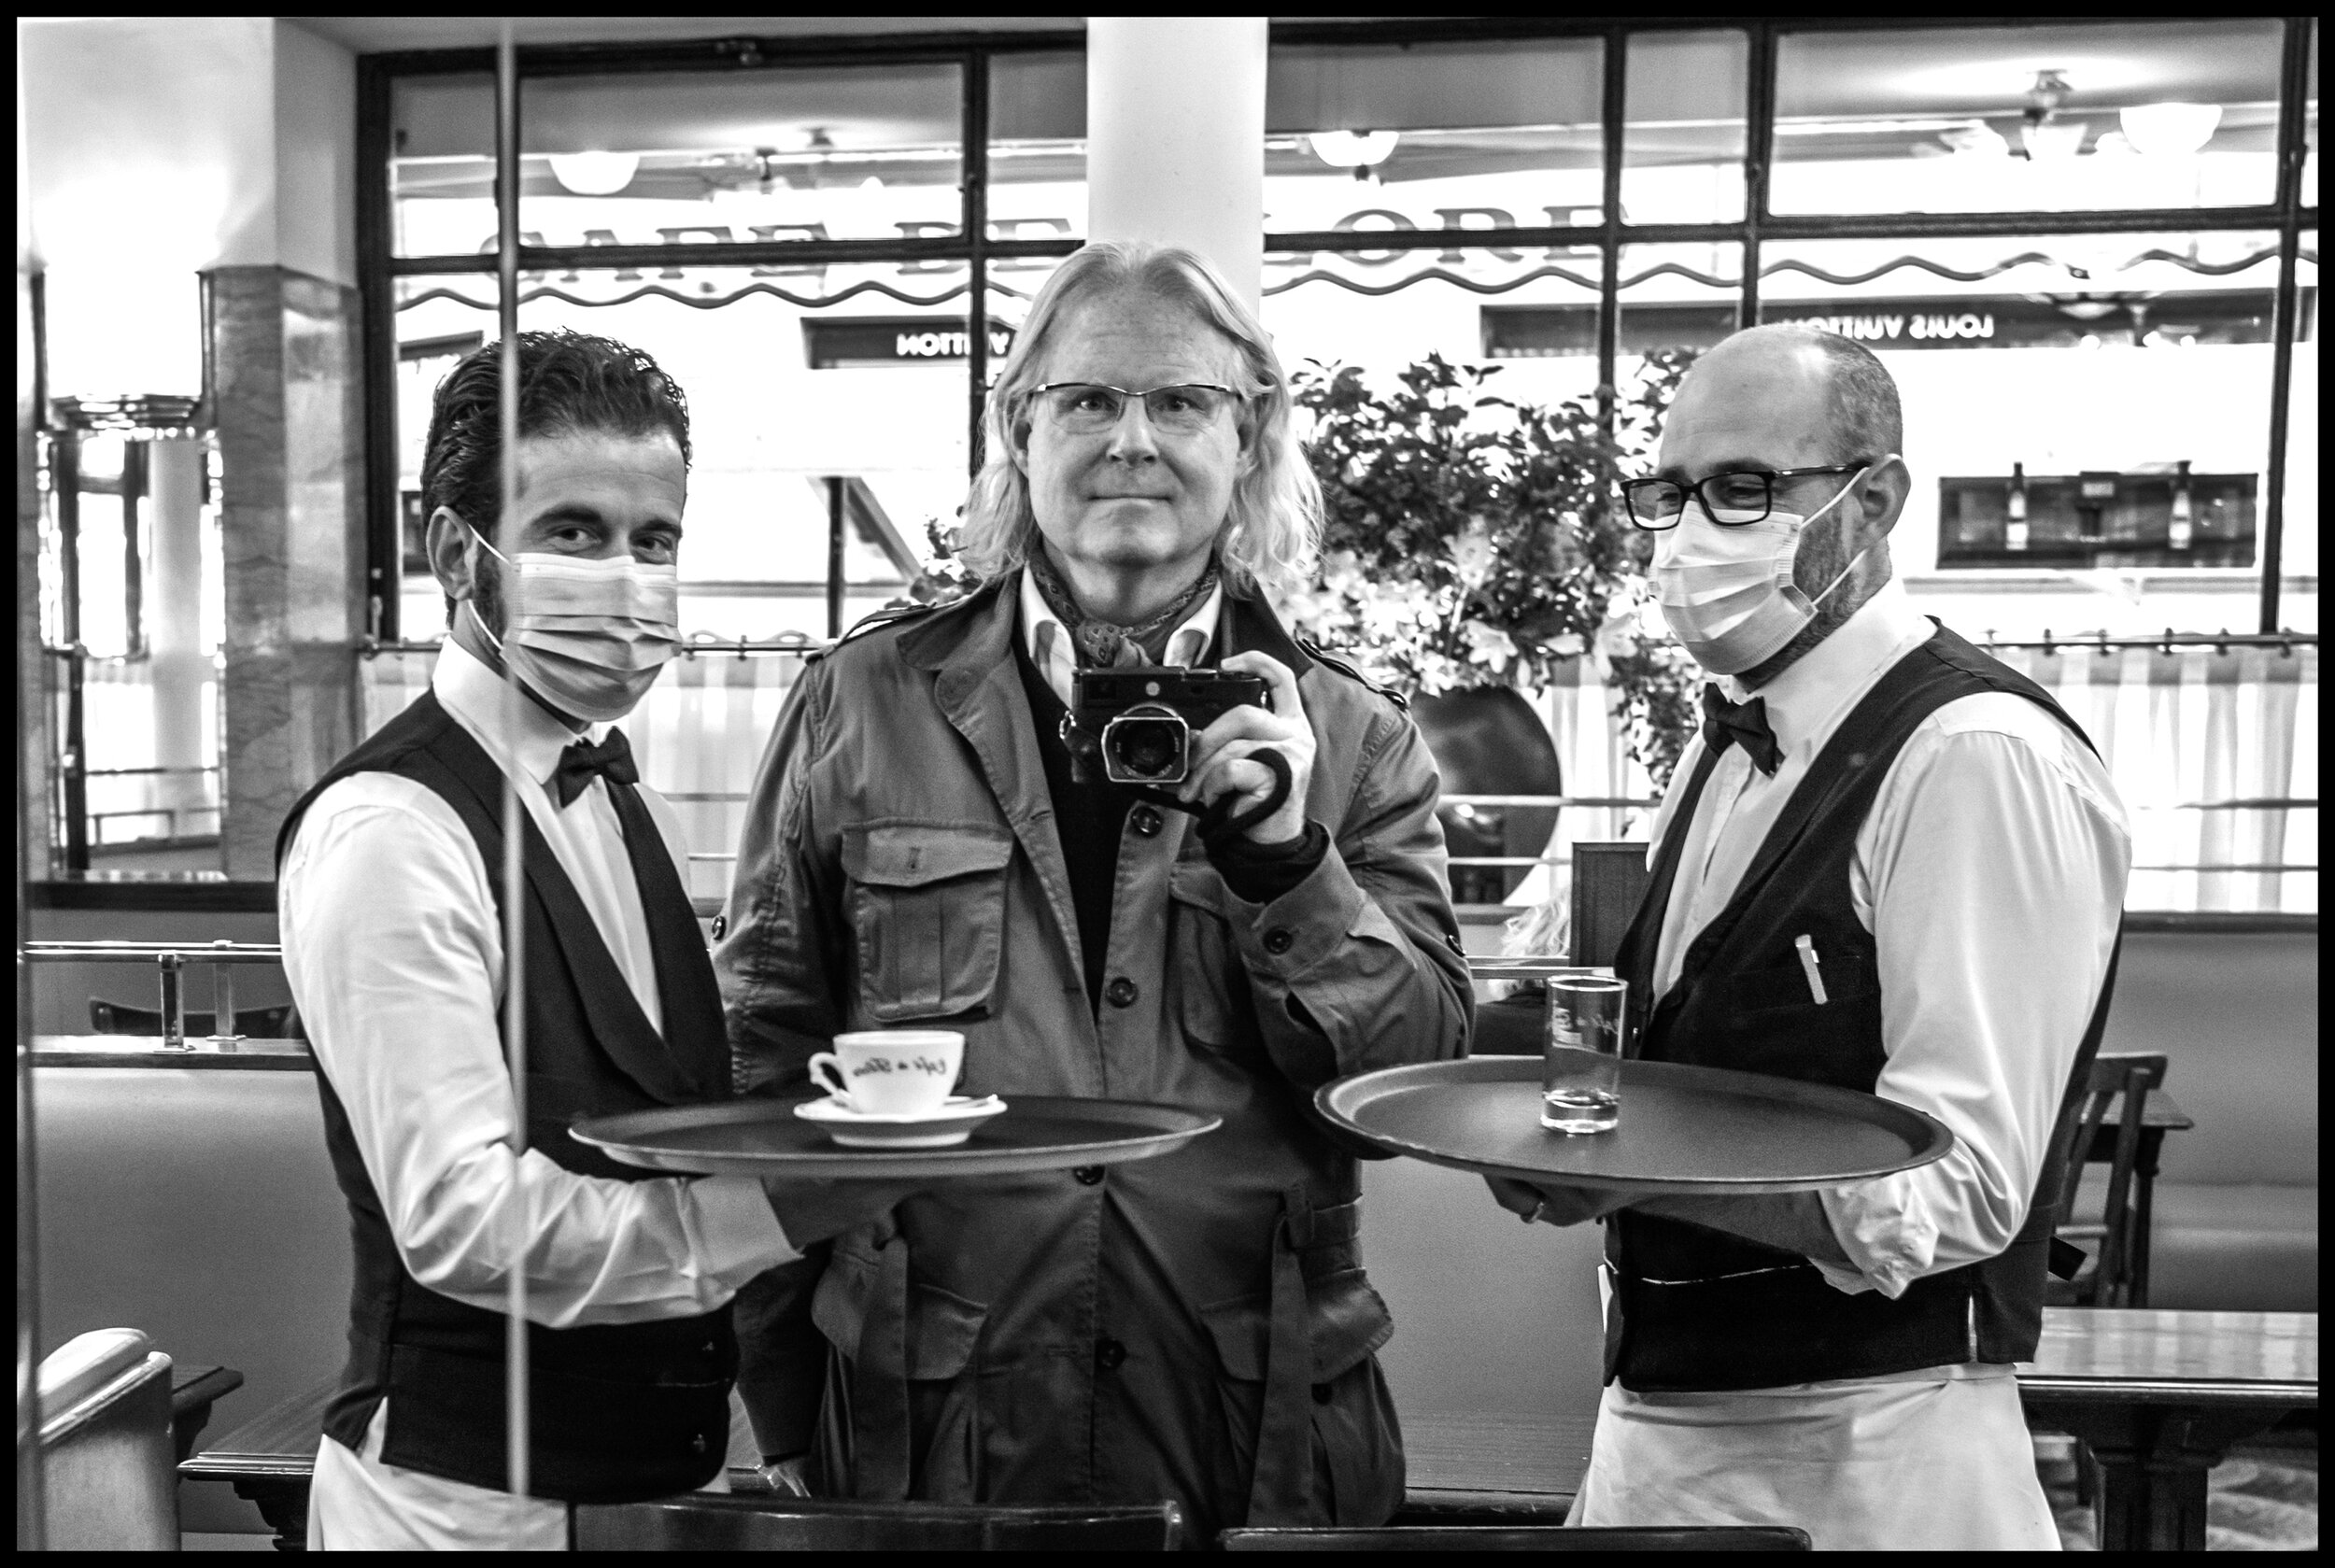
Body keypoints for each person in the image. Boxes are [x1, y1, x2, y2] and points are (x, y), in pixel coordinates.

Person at [717, 242, 1473, 1540]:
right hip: (928, 1428)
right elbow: (762, 1064)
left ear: (1250, 440)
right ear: (1020, 427)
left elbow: (1410, 1091)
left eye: (1179, 402)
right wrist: (783, 1394)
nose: (1133, 440)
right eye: (1088, 400)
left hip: (1254, 1434)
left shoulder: (1351, 735)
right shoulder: (859, 703)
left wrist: (1288, 865)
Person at [1486, 323, 2130, 1549]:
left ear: (1873, 499)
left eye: (1742, 489)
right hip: (1656, 1427)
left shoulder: (1973, 755)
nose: (1687, 537)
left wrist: (1637, 1170)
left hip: (1870, 1454)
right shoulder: (1720, 748)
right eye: (1667, 494)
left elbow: (1966, 1188)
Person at [277, 331, 910, 1549]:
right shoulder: (391, 829)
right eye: (573, 532)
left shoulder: (631, 806)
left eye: (653, 540)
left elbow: (658, 1128)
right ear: (457, 553)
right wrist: (783, 1207)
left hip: (652, 1486)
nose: (625, 580)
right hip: (462, 1509)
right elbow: (461, 1222)